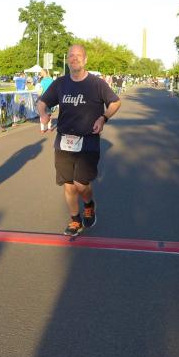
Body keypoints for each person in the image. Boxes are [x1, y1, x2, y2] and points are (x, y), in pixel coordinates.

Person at [37, 44, 122, 237]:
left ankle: (89, 205)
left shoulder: (96, 84)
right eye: (71, 56)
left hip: (88, 140)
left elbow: (115, 102)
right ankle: (75, 220)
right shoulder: (60, 83)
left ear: (85, 59)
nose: (74, 58)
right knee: (68, 184)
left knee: (81, 184)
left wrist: (103, 118)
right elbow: (42, 102)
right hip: (64, 140)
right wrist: (43, 114)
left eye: (78, 55)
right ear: (67, 60)